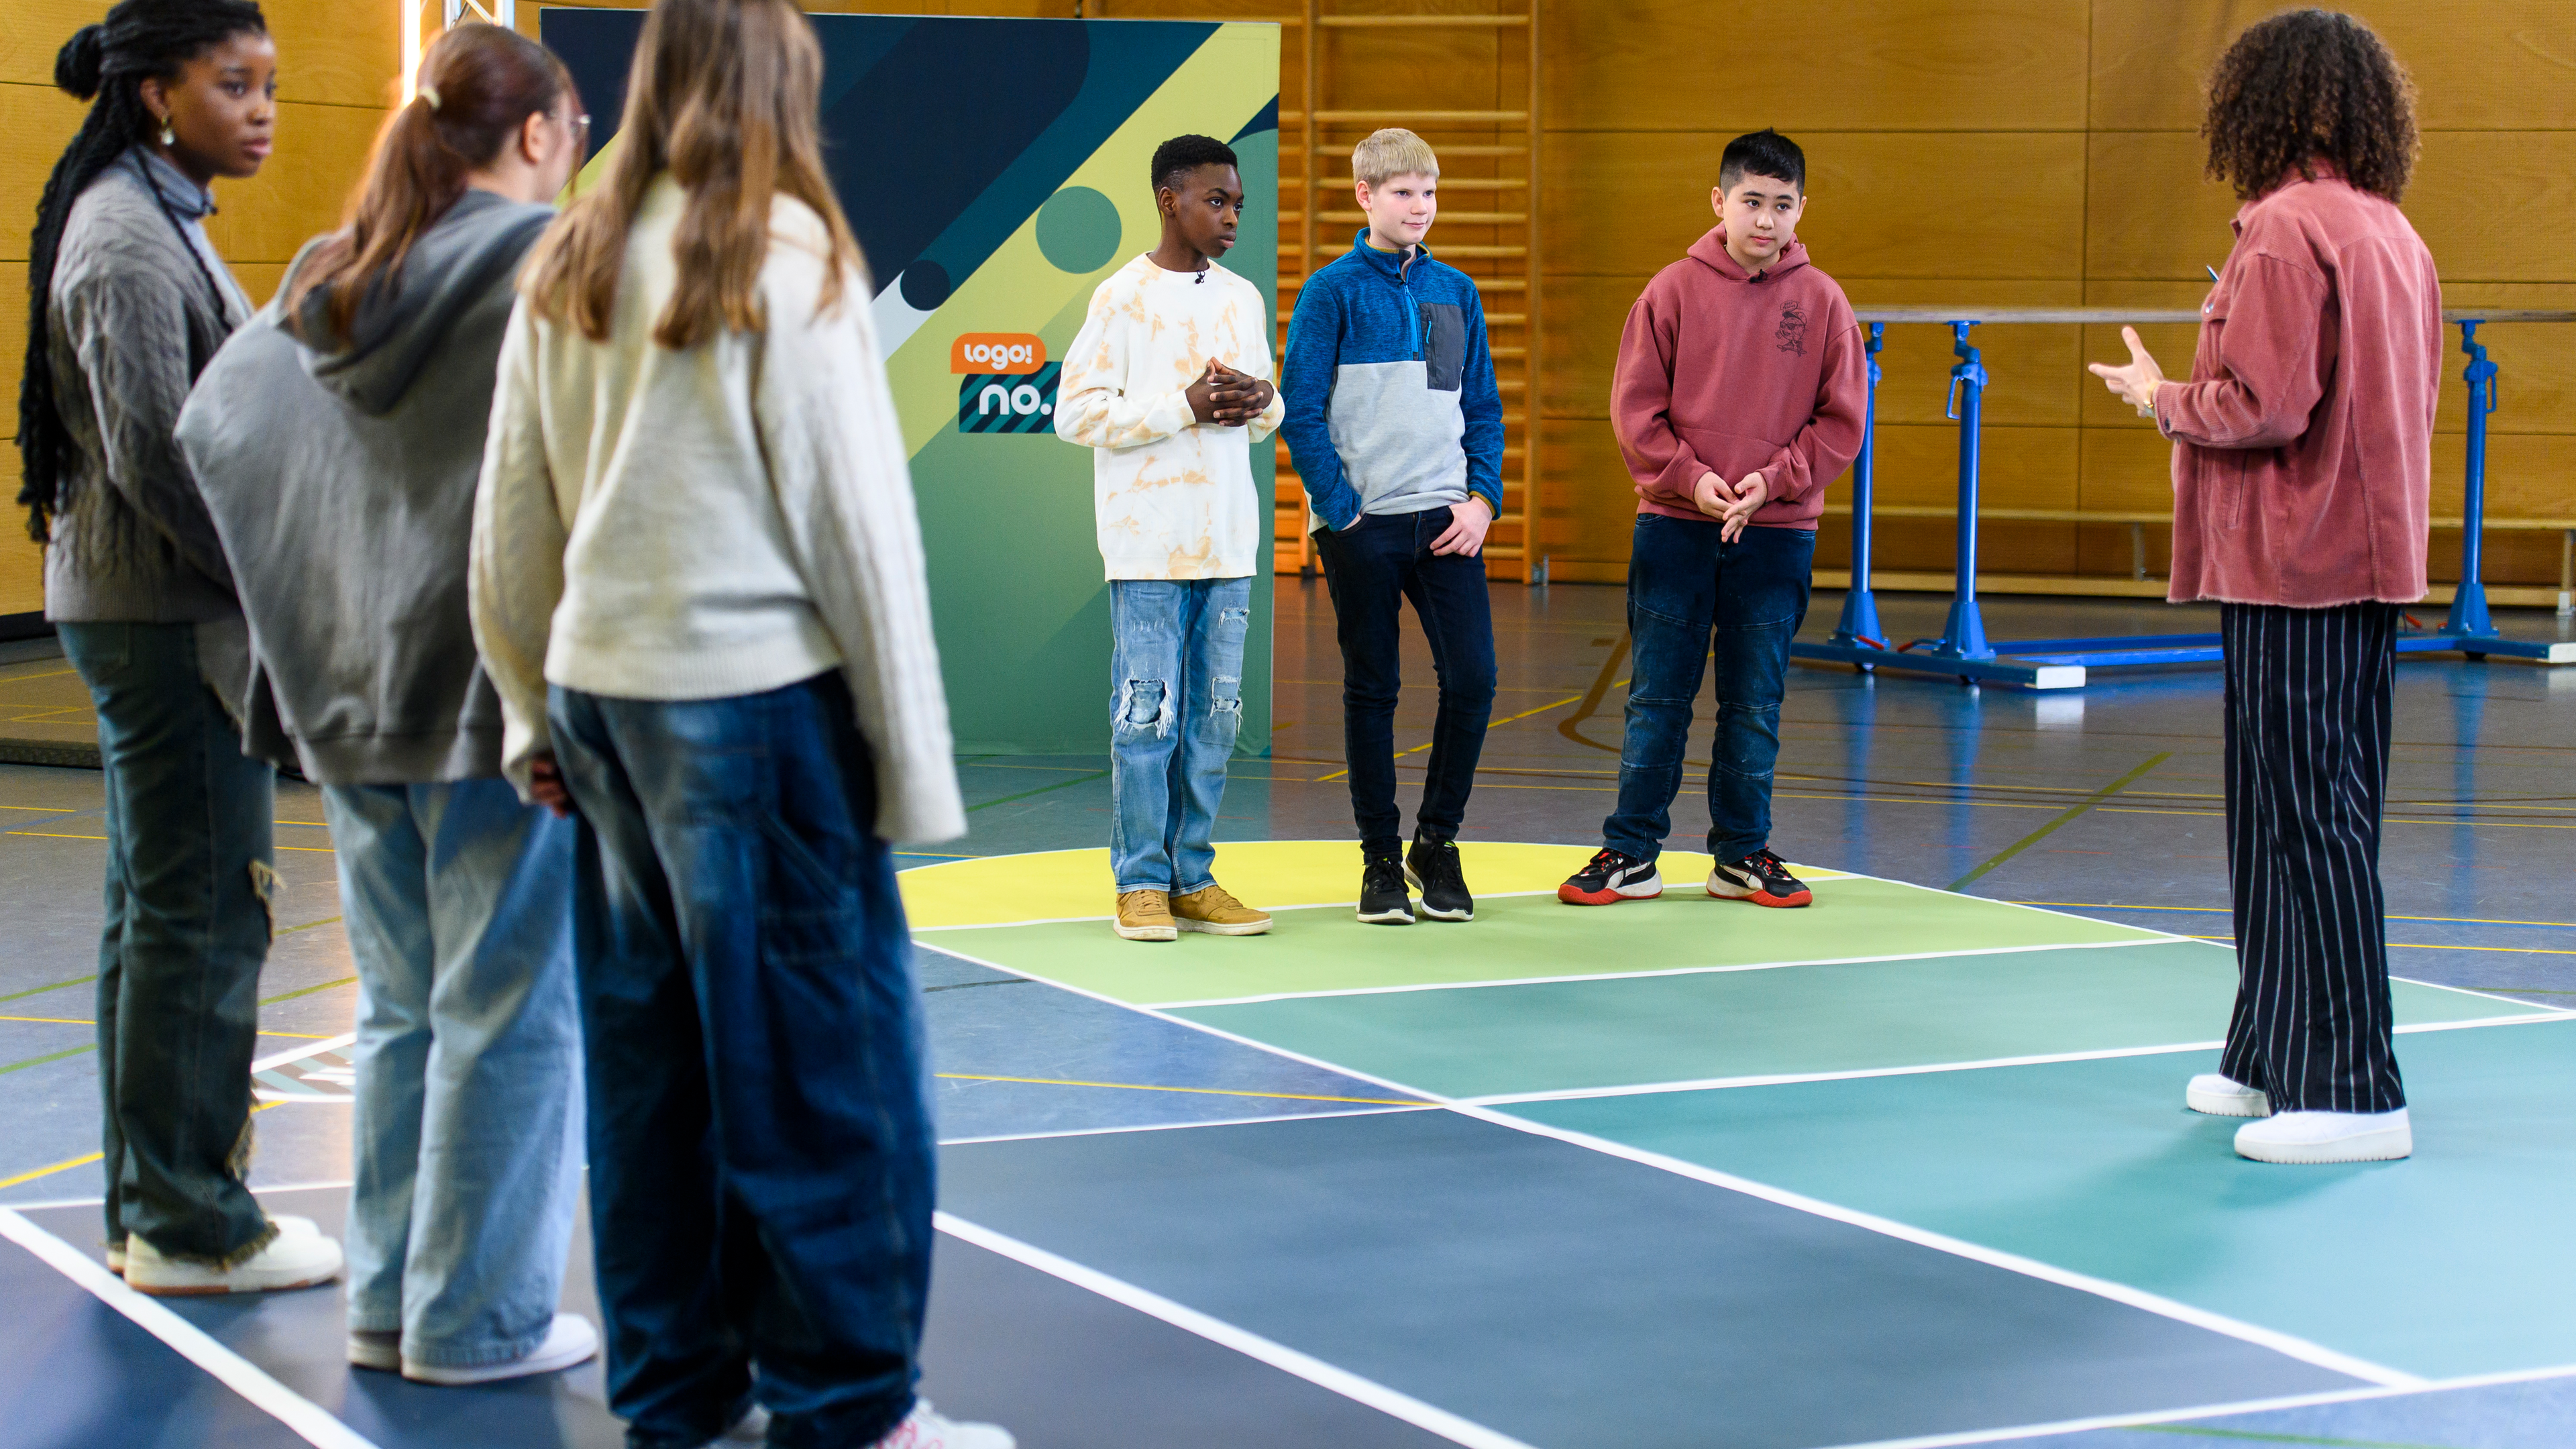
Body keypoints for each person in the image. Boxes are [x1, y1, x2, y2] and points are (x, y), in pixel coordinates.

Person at [470, 1, 1008, 1444]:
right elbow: (861, 540)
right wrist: (912, 768)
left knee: (651, 1079)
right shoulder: (783, 253)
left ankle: (677, 1396)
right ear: (782, 86)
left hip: (603, 708)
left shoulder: (570, 252)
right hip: (753, 715)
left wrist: (533, 713)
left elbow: (510, 525)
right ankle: (850, 1408)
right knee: (824, 1074)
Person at [176, 24, 597, 1383]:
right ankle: (479, 1320)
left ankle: (391, 1301)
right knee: (511, 1011)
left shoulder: (331, 269)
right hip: (488, 697)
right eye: (574, 134)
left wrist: (302, 615)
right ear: (537, 134)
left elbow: (216, 430)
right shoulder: (547, 267)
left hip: (347, 699)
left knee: (407, 1010)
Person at [15, 0, 343, 1297]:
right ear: (157, 94)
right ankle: (194, 1226)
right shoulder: (126, 244)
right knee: (206, 919)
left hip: (158, 613)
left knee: (162, 916)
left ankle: (152, 1203)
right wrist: (290, 579)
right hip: (166, 622)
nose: (264, 109)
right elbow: (163, 458)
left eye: (270, 84)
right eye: (236, 85)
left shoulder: (151, 220)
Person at [2088, 8, 2437, 1167]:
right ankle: (2273, 1047)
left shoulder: (2286, 231)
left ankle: (2352, 1090)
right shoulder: (2393, 232)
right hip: (2357, 565)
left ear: (2262, 104)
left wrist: (2161, 399)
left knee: (2304, 821)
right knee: (2291, 813)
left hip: (2297, 565)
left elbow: (2266, 405)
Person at [1557, 128, 1865, 913]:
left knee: (1755, 702)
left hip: (1778, 532)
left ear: (1803, 210)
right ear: (1719, 201)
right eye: (1752, 202)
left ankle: (1741, 854)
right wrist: (1692, 484)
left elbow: (1842, 422)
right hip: (1676, 527)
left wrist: (1776, 481)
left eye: (1783, 205)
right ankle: (1631, 852)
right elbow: (1635, 413)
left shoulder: (1824, 301)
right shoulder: (1670, 291)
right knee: (1656, 696)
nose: (1766, 220)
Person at [1057, 133, 1284, 944]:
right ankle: (1141, 882)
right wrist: (1180, 405)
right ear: (1170, 200)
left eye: (1238, 205)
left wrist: (1263, 398)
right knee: (1146, 718)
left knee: (1215, 717)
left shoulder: (1244, 298)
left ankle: (1193, 874)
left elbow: (1268, 417)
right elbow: (1075, 414)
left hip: (1227, 542)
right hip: (1148, 544)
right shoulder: (1121, 299)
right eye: (1215, 201)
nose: (1229, 217)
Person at [1279, 127, 1503, 925]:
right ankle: (1379, 859)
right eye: (1403, 192)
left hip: (1445, 522)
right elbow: (1298, 411)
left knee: (1473, 680)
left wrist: (1482, 501)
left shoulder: (1457, 292)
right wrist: (1341, 511)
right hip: (1362, 528)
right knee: (1373, 688)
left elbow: (1479, 406)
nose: (1420, 206)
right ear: (1365, 197)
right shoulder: (1331, 291)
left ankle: (1435, 844)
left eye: (1430, 192)